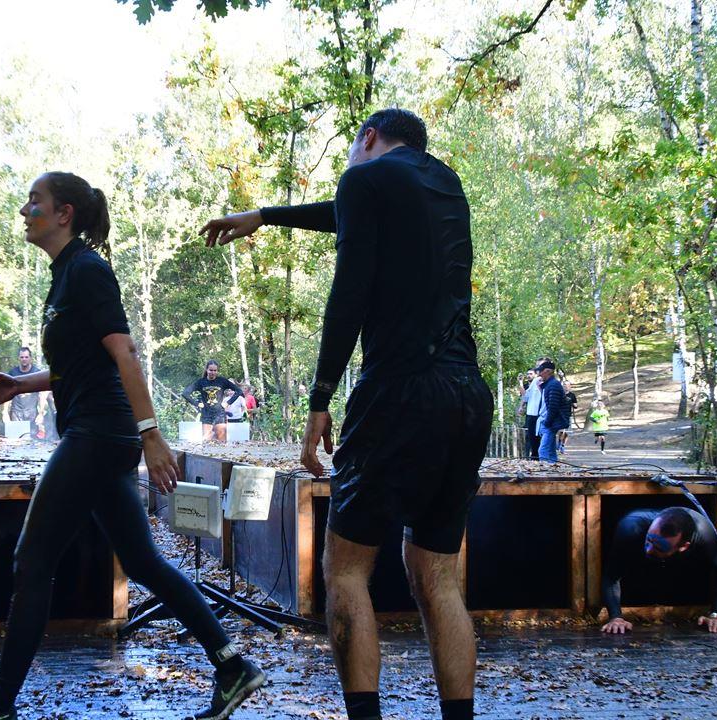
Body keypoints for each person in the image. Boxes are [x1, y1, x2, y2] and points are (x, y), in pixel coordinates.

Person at [0, 171, 262, 720]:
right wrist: (20, 385)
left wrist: (151, 435)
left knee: (32, 560)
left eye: (35, 201)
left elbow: (124, 353)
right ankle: (232, 666)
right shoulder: (64, 275)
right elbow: (79, 365)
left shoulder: (87, 270)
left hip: (99, 433)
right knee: (144, 561)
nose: (25, 210)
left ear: (64, 214)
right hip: (97, 431)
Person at [200, 108, 490, 720]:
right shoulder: (446, 184)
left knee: (347, 569)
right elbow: (346, 212)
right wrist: (267, 216)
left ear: (368, 139)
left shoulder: (365, 178)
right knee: (437, 577)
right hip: (465, 393)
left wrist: (320, 398)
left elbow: (349, 291)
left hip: (398, 394)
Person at [600, 507, 717, 635]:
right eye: (648, 540)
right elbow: (612, 575)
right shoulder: (631, 527)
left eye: (659, 547)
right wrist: (615, 617)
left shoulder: (704, 534)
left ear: (684, 546)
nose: (649, 549)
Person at [182, 360, 242, 443]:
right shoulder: (201, 382)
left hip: (219, 414)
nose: (213, 372)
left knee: (222, 442)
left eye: (215, 370)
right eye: (210, 370)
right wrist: (197, 404)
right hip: (206, 414)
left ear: (217, 371)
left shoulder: (222, 381)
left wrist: (228, 403)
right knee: (206, 441)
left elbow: (238, 391)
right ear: (207, 370)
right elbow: (185, 393)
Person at [535, 360, 569, 464]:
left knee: (543, 451)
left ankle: (545, 471)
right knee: (550, 451)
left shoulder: (553, 385)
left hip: (550, 423)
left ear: (548, 371)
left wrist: (547, 422)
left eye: (541, 371)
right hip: (548, 421)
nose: (539, 374)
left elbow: (553, 407)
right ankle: (553, 467)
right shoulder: (548, 385)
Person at [6, 346, 44, 438]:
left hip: (32, 413)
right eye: (22, 357)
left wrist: (41, 413)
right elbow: (7, 393)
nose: (24, 359)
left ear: (30, 358)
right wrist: (5, 412)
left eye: (26, 357)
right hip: (16, 411)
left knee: (31, 440)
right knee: (15, 438)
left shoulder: (36, 373)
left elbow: (42, 394)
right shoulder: (12, 373)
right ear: (18, 358)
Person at [518, 359, 549, 460]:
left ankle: (543, 461)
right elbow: (526, 396)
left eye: (540, 365)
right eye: (537, 366)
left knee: (541, 440)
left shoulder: (549, 381)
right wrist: (520, 383)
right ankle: (534, 460)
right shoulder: (535, 381)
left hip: (541, 415)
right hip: (531, 414)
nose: (538, 368)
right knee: (532, 439)